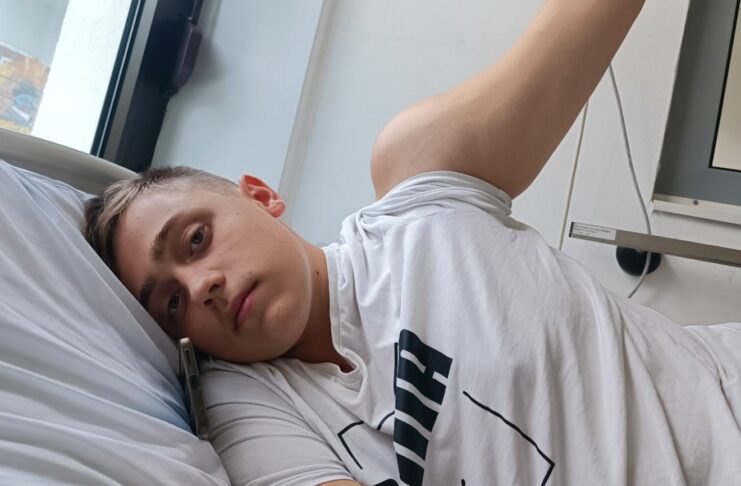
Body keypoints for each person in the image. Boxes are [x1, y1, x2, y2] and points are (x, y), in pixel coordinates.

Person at [84, 0, 741, 484]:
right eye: (172, 304)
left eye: (196, 239)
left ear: (259, 196)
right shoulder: (253, 412)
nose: (201, 287)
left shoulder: (423, 191)